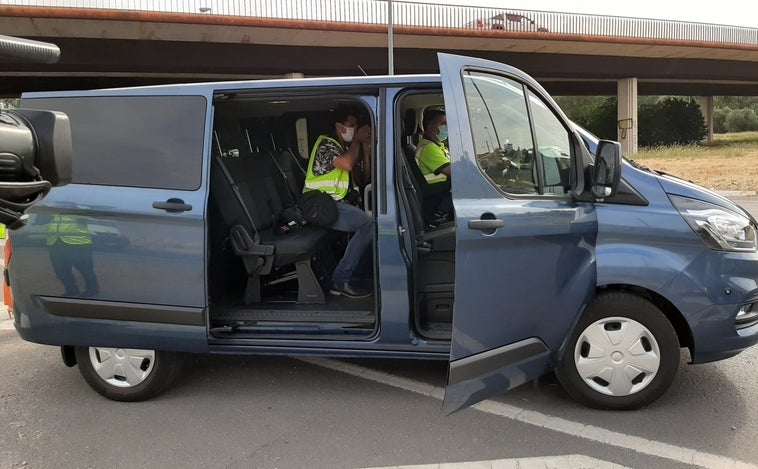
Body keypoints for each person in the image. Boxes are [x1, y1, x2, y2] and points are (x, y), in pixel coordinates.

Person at [303, 105, 373, 299]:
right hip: (321, 205)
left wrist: (365, 152)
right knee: (368, 224)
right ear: (339, 126)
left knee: (367, 221)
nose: (355, 130)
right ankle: (341, 281)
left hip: (335, 203)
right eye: (352, 126)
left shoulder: (343, 147)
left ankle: (359, 274)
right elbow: (347, 164)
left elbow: (362, 179)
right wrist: (358, 142)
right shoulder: (326, 144)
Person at [415, 108, 453, 221]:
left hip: (440, 194)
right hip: (436, 201)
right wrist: (484, 164)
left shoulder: (438, 146)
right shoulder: (428, 148)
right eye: (443, 123)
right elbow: (455, 172)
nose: (447, 127)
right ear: (430, 126)